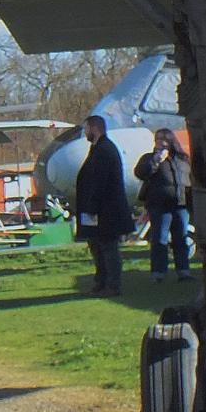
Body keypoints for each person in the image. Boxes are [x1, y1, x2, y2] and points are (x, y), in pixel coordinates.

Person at [73, 114, 134, 295]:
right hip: (97, 211)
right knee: (97, 247)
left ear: (94, 128)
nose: (85, 133)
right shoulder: (97, 149)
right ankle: (101, 282)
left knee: (108, 249)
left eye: (86, 129)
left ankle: (112, 285)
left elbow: (100, 182)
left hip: (106, 211)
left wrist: (92, 206)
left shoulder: (105, 150)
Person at [134, 127, 194, 282]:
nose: (160, 142)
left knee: (181, 239)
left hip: (180, 205)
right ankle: (158, 273)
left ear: (171, 141)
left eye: (163, 139)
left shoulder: (181, 160)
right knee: (160, 239)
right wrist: (156, 159)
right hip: (160, 206)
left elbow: (188, 181)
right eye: (157, 139)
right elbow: (140, 172)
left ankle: (184, 271)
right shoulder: (149, 158)